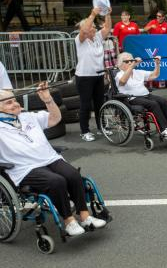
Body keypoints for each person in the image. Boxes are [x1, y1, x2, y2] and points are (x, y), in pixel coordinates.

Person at [0, 83, 106, 236]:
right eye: (9, 102)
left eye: (15, 100)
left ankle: (85, 216)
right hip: (25, 168)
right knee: (56, 181)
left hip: (49, 158)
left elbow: (54, 119)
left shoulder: (27, 116)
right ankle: (69, 222)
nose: (15, 103)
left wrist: (48, 100)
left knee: (73, 175)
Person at [115, 52, 167, 139]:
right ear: (120, 64)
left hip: (145, 95)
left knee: (163, 101)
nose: (130, 63)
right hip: (131, 98)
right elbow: (122, 82)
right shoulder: (119, 74)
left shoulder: (138, 72)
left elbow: (154, 75)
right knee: (153, 104)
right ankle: (164, 130)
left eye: (131, 60)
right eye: (127, 62)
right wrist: (132, 66)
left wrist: (157, 64)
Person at [75, 7, 112, 142]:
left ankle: (101, 127)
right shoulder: (80, 40)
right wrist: (92, 14)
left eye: (94, 27)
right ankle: (85, 131)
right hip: (84, 77)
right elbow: (84, 30)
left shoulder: (97, 37)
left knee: (99, 104)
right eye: (92, 27)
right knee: (85, 105)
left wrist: (107, 14)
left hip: (98, 75)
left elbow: (107, 28)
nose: (94, 28)